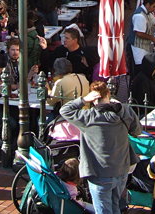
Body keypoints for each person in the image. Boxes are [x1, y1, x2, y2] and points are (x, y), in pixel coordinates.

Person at [60, 81, 142, 214]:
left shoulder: (87, 117)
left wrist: (83, 100)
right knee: (115, 206)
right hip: (121, 170)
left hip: (99, 173)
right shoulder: (124, 110)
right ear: (108, 94)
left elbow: (64, 110)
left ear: (93, 99)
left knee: (103, 210)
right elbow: (137, 131)